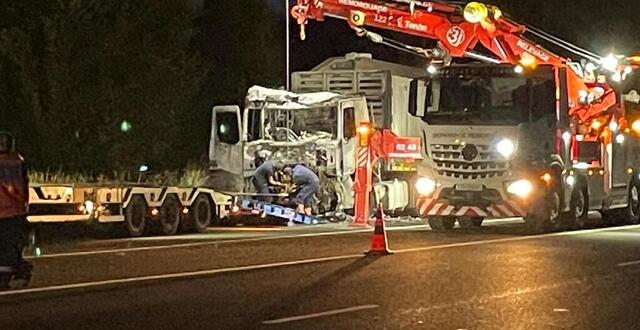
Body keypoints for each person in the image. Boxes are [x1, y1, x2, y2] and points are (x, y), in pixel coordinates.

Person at [0, 132, 32, 290]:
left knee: (7, 247)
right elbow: (25, 186)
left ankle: (7, 275)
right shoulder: (17, 161)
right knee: (10, 246)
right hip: (14, 211)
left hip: (7, 210)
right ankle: (17, 269)